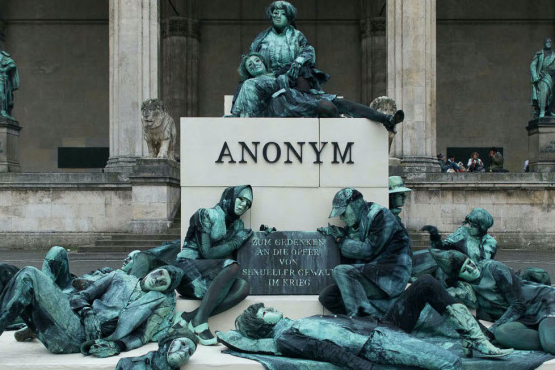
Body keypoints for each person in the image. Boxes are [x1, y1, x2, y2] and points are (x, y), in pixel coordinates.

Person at [224, 289, 509, 370]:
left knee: (425, 283)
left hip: (382, 327)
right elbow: (326, 350)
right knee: (451, 363)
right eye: (266, 312)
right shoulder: (286, 337)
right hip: (378, 343)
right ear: (262, 325)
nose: (272, 309)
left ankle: (476, 339)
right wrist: (367, 367)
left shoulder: (295, 323)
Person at [0, 265, 182, 356]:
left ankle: (34, 326)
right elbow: (80, 296)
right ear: (155, 269)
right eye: (160, 274)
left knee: (28, 275)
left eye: (163, 283)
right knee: (5, 271)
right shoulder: (120, 276)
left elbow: (142, 335)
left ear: (165, 290)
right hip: (75, 317)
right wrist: (88, 313)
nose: (157, 280)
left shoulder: (157, 302)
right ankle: (35, 326)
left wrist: (117, 346)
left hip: (80, 336)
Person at [231, 52, 404, 132]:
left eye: (256, 60)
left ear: (263, 61)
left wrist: (298, 62)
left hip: (300, 97)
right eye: (250, 65)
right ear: (249, 72)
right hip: (284, 106)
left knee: (342, 103)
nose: (254, 64)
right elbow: (246, 106)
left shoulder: (279, 72)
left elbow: (308, 53)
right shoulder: (251, 83)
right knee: (327, 107)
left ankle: (387, 119)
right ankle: (343, 129)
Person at [430, 248, 555, 355]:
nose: (471, 268)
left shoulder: (494, 268)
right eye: (465, 270)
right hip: (524, 318)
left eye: (470, 263)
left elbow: (519, 305)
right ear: (459, 277)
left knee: (550, 343)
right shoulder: (468, 288)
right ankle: (545, 334)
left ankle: (547, 337)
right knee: (502, 333)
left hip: (545, 303)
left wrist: (489, 333)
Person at [175, 185, 253, 345]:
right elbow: (207, 252)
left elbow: (236, 254)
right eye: (241, 199)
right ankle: (200, 323)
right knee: (233, 267)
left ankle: (190, 317)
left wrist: (264, 237)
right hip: (188, 271)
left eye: (247, 204)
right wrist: (237, 242)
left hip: (211, 279)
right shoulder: (205, 214)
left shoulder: (237, 226)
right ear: (230, 197)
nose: (243, 205)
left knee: (243, 287)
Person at [317, 188, 412, 317]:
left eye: (343, 213)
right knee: (327, 296)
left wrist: (340, 240)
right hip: (372, 274)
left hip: (390, 275)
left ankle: (361, 322)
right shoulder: (355, 224)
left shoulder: (381, 215)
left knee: (341, 271)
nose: (341, 217)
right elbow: (353, 253)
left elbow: (369, 250)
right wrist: (333, 238)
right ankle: (372, 317)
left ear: (355, 205)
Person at [422, 208, 497, 264]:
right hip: (459, 272)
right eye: (469, 223)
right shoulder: (463, 232)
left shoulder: (491, 243)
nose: (469, 227)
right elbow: (442, 247)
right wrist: (435, 236)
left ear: (482, 228)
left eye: (473, 226)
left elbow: (488, 265)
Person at [115, 324, 198, 370]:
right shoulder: (126, 364)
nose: (184, 352)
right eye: (183, 344)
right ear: (166, 343)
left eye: (189, 352)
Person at [531, 37, 555, 118]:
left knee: (551, 94)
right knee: (544, 91)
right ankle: (542, 110)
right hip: (542, 76)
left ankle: (550, 110)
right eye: (547, 42)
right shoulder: (539, 54)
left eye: (550, 42)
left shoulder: (554, 55)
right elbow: (533, 65)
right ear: (544, 43)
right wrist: (535, 76)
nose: (549, 43)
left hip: (551, 77)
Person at [0, 42, 19, 119]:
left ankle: (2, 110)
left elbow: (12, 64)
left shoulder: (3, 57)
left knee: (1, 93)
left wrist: (4, 69)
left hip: (1, 78)